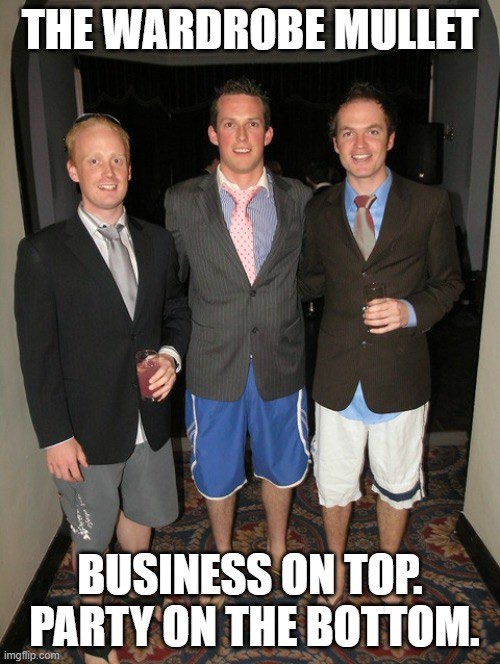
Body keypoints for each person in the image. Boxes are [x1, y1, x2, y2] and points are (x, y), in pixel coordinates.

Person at [15, 114, 191, 664]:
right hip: (84, 432)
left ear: (130, 169)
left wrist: (170, 356)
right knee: (90, 541)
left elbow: (175, 311)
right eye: (93, 160)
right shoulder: (42, 252)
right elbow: (37, 356)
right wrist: (54, 436)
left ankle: (137, 602)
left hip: (149, 418)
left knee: (141, 517)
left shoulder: (158, 242)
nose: (107, 171)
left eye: (117, 159)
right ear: (73, 169)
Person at [299, 82, 463, 608]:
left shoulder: (430, 204)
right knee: (334, 483)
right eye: (348, 133)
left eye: (372, 131)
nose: (360, 143)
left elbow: (449, 283)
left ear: (390, 138)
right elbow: (310, 279)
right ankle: (335, 568)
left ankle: (389, 570)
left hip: (400, 373)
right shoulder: (319, 210)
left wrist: (410, 310)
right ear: (335, 144)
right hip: (336, 374)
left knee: (396, 481)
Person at [164, 78, 311, 599]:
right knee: (217, 471)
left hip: (280, 359)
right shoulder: (182, 202)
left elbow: (311, 275)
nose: (242, 135)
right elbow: (171, 287)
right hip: (212, 363)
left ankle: (278, 547)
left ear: (268, 133)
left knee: (282, 465)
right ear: (213, 133)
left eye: (253, 123)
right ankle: (224, 555)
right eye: (230, 124)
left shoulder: (299, 198)